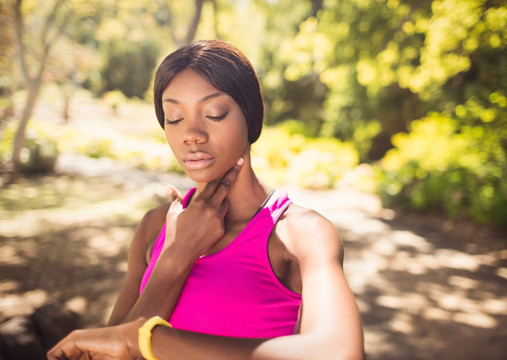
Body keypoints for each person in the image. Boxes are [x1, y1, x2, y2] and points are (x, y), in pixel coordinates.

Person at [47, 40, 364, 360]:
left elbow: (339, 351)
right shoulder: (154, 226)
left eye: (214, 113)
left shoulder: (300, 233)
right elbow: (107, 354)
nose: (191, 133)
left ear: (250, 117)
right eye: (174, 117)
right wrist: (176, 255)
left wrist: (145, 340)